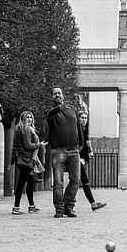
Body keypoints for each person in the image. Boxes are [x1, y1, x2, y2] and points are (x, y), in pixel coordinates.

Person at [46, 87, 83, 218]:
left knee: (75, 180)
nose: (57, 95)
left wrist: (81, 143)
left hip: (74, 150)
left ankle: (69, 206)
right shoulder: (51, 112)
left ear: (63, 95)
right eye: (55, 93)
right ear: (52, 97)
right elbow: (50, 114)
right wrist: (60, 106)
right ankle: (59, 208)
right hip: (58, 151)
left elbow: (78, 127)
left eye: (59, 93)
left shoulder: (72, 110)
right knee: (58, 182)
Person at [10, 111, 46, 215]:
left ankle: (31, 206)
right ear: (22, 119)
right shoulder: (25, 130)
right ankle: (16, 208)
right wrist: (39, 145)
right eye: (27, 117)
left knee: (30, 182)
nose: (29, 119)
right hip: (26, 159)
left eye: (31, 117)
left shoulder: (25, 129)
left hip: (27, 159)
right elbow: (28, 146)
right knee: (21, 183)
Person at [77, 111, 107, 211]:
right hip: (77, 157)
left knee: (77, 182)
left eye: (85, 118)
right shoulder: (78, 130)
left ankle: (67, 203)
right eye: (82, 118)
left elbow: (87, 144)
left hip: (81, 158)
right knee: (84, 181)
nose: (84, 120)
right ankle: (93, 203)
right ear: (78, 119)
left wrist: (90, 150)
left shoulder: (84, 130)